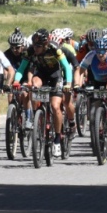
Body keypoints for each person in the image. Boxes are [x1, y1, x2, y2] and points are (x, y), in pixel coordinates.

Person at [13, 28, 73, 157]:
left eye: (39, 46)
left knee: (55, 106)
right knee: (33, 85)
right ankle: (37, 114)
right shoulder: (30, 51)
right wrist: (16, 81)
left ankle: (57, 138)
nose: (36, 48)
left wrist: (68, 84)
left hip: (56, 76)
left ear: (46, 44)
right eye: (34, 45)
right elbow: (22, 68)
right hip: (41, 75)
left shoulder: (55, 49)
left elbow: (67, 67)